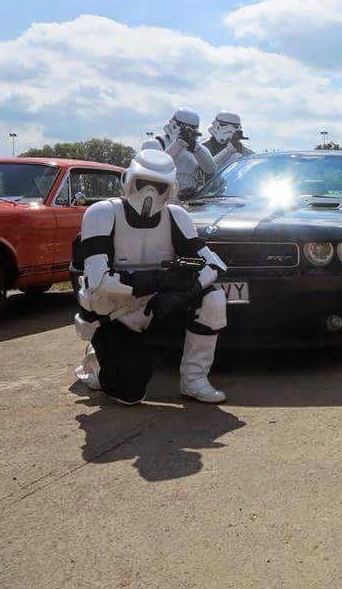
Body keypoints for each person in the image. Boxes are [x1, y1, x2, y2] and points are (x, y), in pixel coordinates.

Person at [72, 149, 228, 404]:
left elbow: (213, 266)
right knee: (128, 393)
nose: (150, 192)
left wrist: (185, 293)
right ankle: (98, 361)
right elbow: (97, 281)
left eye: (159, 185)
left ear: (171, 188)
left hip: (157, 307)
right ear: (129, 179)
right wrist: (158, 281)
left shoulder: (176, 215)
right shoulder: (102, 213)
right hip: (115, 315)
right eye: (143, 182)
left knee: (214, 299)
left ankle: (194, 379)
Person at [142, 108, 216, 199]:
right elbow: (157, 168)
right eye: (184, 127)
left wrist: (196, 148)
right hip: (159, 198)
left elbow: (211, 169)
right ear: (173, 124)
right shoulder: (154, 144)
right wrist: (178, 144)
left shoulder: (198, 148)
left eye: (192, 128)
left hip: (188, 199)